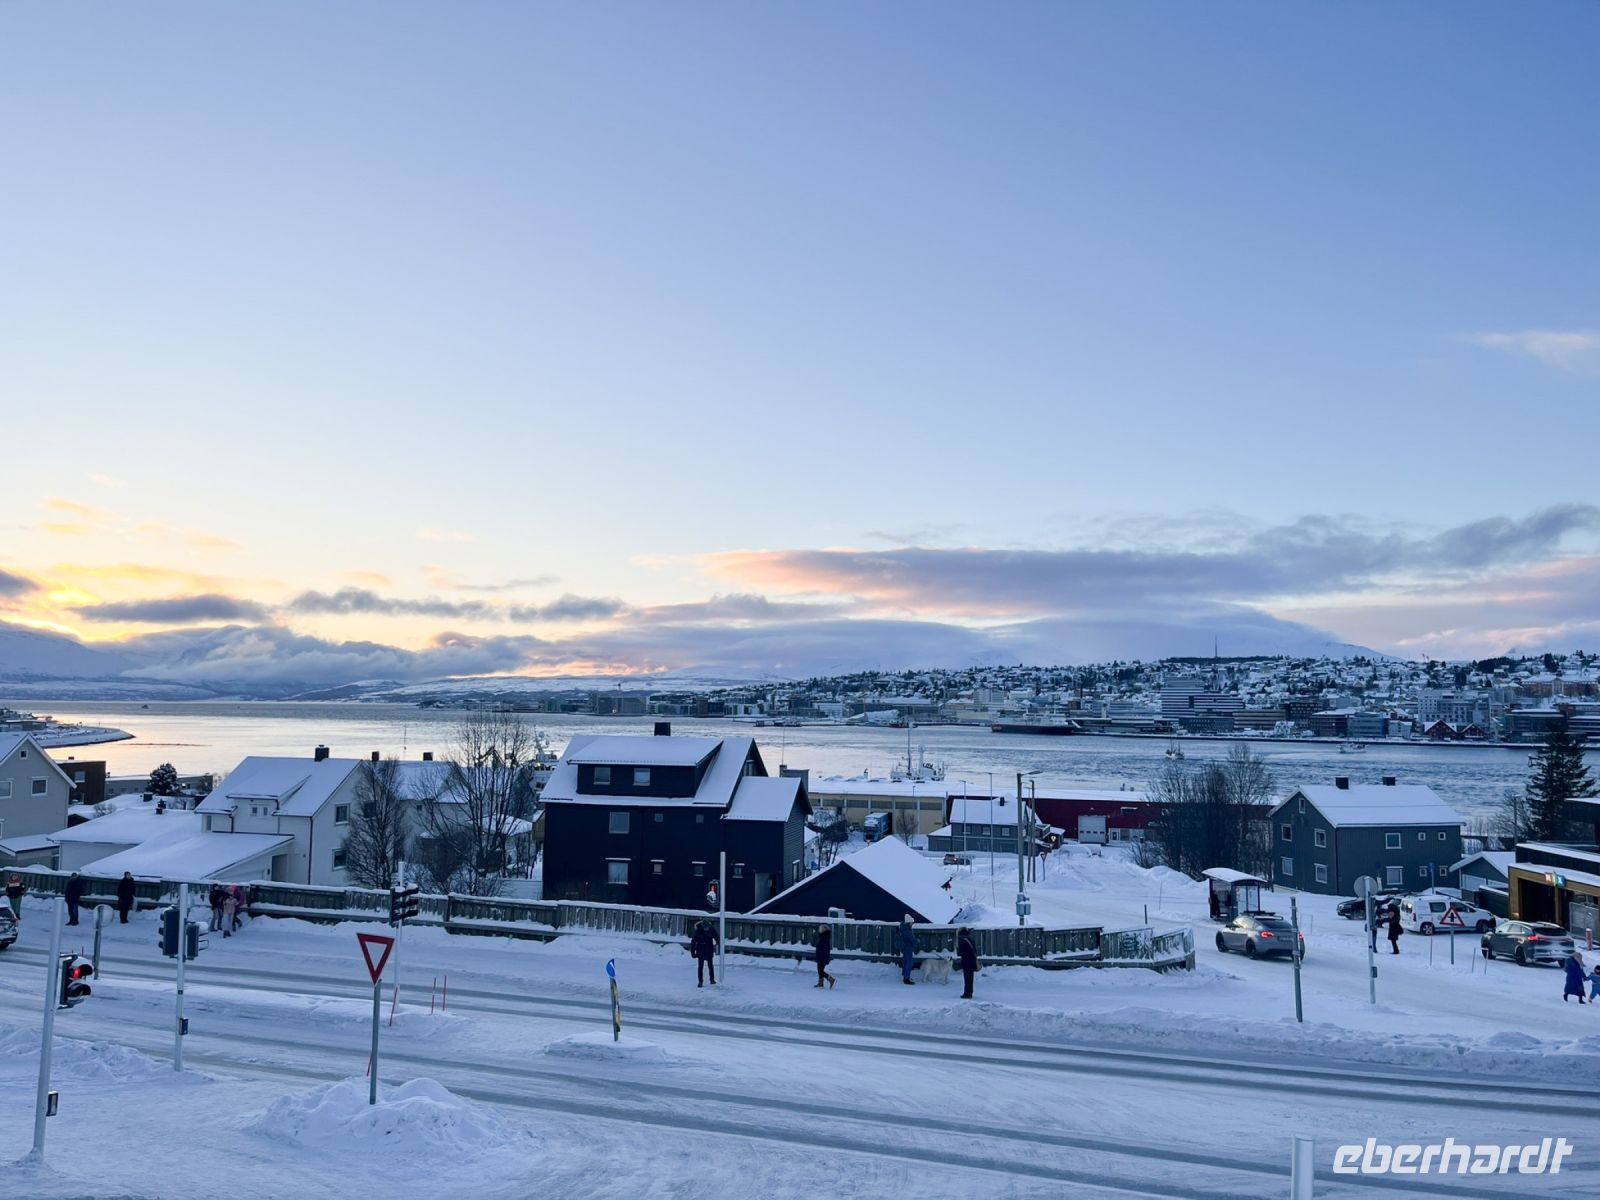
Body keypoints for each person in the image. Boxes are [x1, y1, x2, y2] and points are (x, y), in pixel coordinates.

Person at [690, 918, 719, 987]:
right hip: (700, 950)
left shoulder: (711, 929)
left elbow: (717, 937)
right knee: (700, 966)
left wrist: (719, 944)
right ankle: (700, 981)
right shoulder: (698, 930)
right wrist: (693, 952)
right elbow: (693, 942)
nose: (707, 929)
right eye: (705, 928)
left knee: (710, 965)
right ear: (702, 926)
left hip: (709, 949)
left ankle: (712, 979)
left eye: (707, 927)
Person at [814, 923, 836, 989]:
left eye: (820, 929)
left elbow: (824, 948)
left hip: (822, 956)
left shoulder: (824, 938)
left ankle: (830, 979)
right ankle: (821, 982)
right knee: (820, 970)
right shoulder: (824, 937)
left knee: (820, 970)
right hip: (822, 955)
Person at [897, 915, 917, 985]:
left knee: (905, 962)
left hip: (904, 948)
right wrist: (917, 941)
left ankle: (905, 977)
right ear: (908, 923)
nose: (912, 924)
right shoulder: (907, 930)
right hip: (908, 948)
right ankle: (906, 979)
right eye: (911, 923)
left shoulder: (903, 928)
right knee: (909, 963)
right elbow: (912, 939)